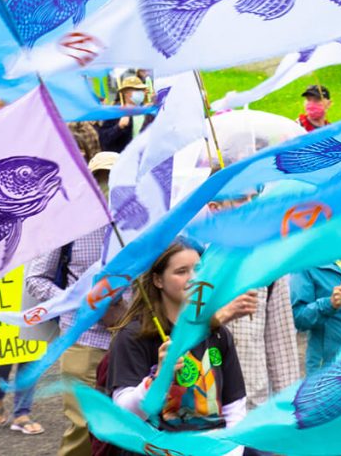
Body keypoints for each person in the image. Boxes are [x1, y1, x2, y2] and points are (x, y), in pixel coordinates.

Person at [108, 242, 246, 456]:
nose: (194, 278)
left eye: (199, 270)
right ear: (158, 280)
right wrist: (159, 378)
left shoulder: (217, 332)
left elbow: (234, 406)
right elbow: (123, 416)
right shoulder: (133, 337)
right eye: (181, 272)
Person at [27, 149, 121, 456]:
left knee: (126, 430)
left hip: (132, 342)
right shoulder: (66, 226)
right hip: (84, 341)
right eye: (101, 181)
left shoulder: (142, 225)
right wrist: (78, 302)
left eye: (114, 181)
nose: (107, 189)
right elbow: (36, 278)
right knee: (82, 428)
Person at [207, 196, 301, 456]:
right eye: (239, 199)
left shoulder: (269, 264)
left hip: (253, 410)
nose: (249, 206)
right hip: (201, 415)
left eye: (252, 198)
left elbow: (280, 344)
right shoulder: (193, 263)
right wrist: (220, 315)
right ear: (215, 209)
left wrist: (288, 414)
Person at [97, 75, 153, 153]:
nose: (141, 93)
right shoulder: (115, 113)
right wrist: (119, 127)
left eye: (142, 90)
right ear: (126, 93)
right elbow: (104, 140)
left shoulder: (147, 112)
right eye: (137, 90)